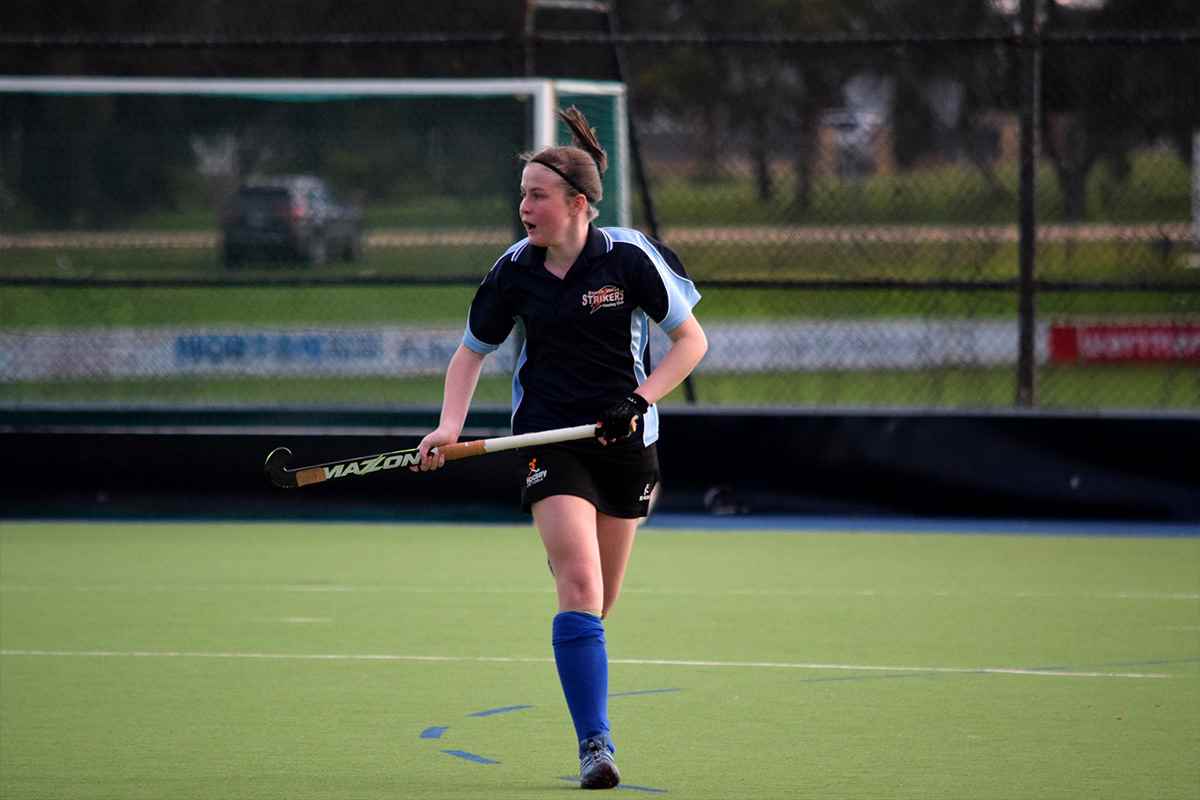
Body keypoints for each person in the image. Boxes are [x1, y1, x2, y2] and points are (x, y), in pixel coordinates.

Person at [414, 107, 707, 790]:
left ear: (577, 203)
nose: (524, 207)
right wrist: (449, 426)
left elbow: (691, 342)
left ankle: (584, 674)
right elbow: (469, 355)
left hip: (629, 443)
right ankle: (595, 746)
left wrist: (639, 401)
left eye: (537, 195)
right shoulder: (514, 271)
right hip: (549, 439)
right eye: (521, 195)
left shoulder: (629, 258)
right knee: (577, 583)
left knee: (597, 604)